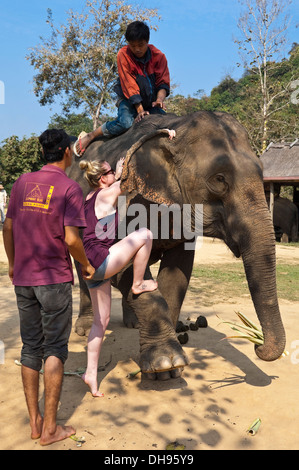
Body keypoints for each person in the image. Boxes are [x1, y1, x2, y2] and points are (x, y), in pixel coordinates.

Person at [2, 129, 95, 446]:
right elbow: (71, 239)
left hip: (24, 279)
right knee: (54, 350)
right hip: (53, 280)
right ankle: (52, 429)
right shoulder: (70, 188)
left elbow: (8, 228)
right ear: (68, 151)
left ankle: (35, 423)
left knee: (30, 349)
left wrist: (13, 264)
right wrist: (85, 264)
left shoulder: (21, 183)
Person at [79, 157, 157, 397]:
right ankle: (137, 283)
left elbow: (119, 183)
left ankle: (90, 374)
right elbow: (126, 182)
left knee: (100, 322)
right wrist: (123, 170)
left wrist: (118, 172)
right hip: (102, 261)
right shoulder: (106, 194)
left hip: (89, 267)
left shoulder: (89, 198)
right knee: (145, 234)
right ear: (102, 178)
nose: (114, 174)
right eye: (109, 171)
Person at [74, 20, 170, 157]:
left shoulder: (159, 56)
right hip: (128, 99)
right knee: (126, 123)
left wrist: (159, 99)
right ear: (128, 43)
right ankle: (92, 135)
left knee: (167, 122)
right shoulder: (123, 55)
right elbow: (129, 85)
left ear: (147, 41)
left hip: (151, 101)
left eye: (141, 45)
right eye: (133, 45)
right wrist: (140, 110)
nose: (137, 49)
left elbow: (162, 83)